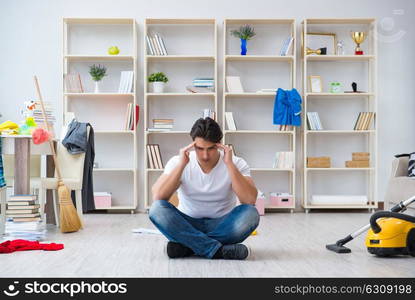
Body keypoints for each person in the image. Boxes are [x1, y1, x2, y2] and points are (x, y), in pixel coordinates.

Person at [149, 117, 259, 260]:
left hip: (223, 225)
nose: (205, 155)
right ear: (193, 144)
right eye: (200, 149)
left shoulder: (236, 163)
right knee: (157, 209)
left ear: (219, 145)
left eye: (211, 149)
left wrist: (229, 165)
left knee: (251, 214)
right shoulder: (178, 161)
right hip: (187, 224)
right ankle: (217, 250)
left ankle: (189, 246)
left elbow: (249, 199)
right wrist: (182, 165)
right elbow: (158, 196)